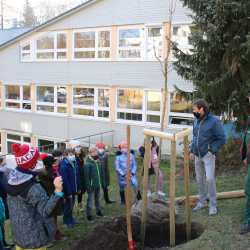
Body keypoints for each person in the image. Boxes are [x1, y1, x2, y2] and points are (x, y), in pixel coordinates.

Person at [6, 143, 64, 250]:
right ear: (32, 164)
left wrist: (36, 174)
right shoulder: (32, 187)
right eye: (37, 159)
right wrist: (57, 191)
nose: (39, 161)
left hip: (19, 236)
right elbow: (46, 210)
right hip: (35, 239)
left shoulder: (11, 179)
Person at [190, 99, 226, 215]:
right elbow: (195, 136)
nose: (193, 112)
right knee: (199, 179)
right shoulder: (195, 120)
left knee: (209, 179)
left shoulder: (214, 121)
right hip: (197, 154)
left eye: (194, 109)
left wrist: (212, 150)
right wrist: (191, 150)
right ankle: (202, 201)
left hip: (208, 155)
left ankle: (213, 205)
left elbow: (222, 138)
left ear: (201, 109)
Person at [39, 154, 65, 241]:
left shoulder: (48, 171)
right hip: (52, 198)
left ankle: (55, 233)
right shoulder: (49, 173)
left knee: (54, 217)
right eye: (54, 162)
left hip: (53, 197)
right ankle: (54, 235)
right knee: (52, 218)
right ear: (50, 164)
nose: (56, 163)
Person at [59, 148, 80, 228]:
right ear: (66, 155)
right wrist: (69, 192)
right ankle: (66, 222)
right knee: (68, 206)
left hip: (73, 188)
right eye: (71, 155)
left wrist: (77, 187)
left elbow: (76, 176)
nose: (73, 156)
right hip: (68, 190)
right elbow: (65, 180)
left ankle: (71, 219)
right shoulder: (64, 165)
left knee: (71, 205)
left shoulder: (73, 163)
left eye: (73, 154)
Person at [84, 147, 104, 221]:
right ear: (90, 153)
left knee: (97, 199)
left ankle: (98, 211)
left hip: (98, 184)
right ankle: (89, 215)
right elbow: (86, 177)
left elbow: (100, 174)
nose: (95, 153)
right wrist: (89, 187)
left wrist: (101, 182)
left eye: (96, 151)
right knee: (90, 200)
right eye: (93, 152)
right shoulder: (88, 163)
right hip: (91, 186)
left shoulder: (98, 161)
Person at [240, 116, 250, 234]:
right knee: (248, 190)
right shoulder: (248, 120)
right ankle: (248, 220)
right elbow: (245, 139)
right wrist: (243, 156)